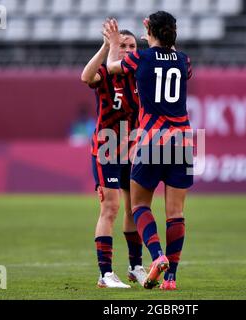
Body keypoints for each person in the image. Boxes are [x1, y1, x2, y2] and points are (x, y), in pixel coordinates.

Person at [104, 11, 193, 290]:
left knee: (139, 205)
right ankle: (171, 278)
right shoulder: (183, 60)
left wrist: (114, 43)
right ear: (173, 34)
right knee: (175, 213)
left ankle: (157, 256)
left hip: (151, 139)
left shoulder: (139, 58)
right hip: (183, 141)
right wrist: (163, 38)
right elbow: (173, 55)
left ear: (148, 30)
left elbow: (110, 67)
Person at [81, 22, 147, 289]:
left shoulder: (140, 73)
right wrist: (107, 45)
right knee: (110, 208)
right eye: (123, 46)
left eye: (132, 46)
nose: (128, 50)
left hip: (132, 148)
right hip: (107, 148)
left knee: (136, 208)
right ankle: (105, 274)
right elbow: (86, 77)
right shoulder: (106, 74)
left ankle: (135, 267)